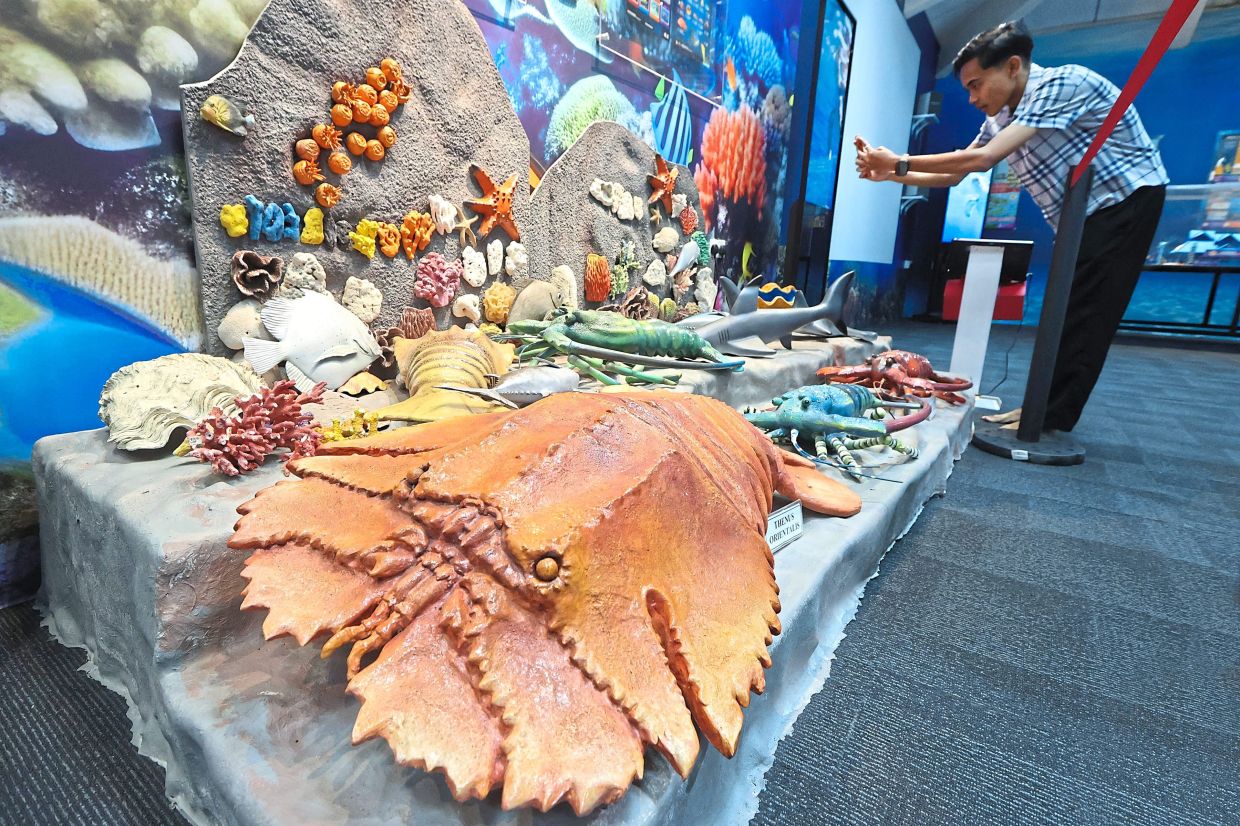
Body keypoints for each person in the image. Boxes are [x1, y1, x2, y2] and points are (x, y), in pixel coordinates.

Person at [854, 21, 1168, 434]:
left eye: (977, 84)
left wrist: (898, 163)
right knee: (1066, 310)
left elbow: (984, 159)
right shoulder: (1001, 115)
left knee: (1086, 312)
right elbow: (955, 173)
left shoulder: (1062, 84)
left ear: (1013, 66)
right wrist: (890, 176)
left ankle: (1048, 416)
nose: (971, 98)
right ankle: (1043, 407)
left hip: (1124, 201)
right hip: (1082, 218)